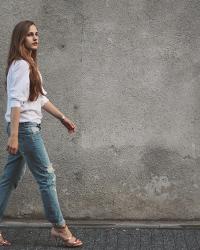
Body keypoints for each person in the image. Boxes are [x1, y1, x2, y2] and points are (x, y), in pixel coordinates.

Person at [0, 20, 83, 247]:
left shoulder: (29, 65)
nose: (35, 38)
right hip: (25, 129)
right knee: (47, 178)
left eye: (37, 33)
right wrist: (14, 135)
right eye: (29, 35)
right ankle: (60, 228)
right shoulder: (21, 66)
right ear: (20, 39)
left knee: (9, 179)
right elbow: (16, 102)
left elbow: (40, 98)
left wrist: (63, 118)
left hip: (25, 128)